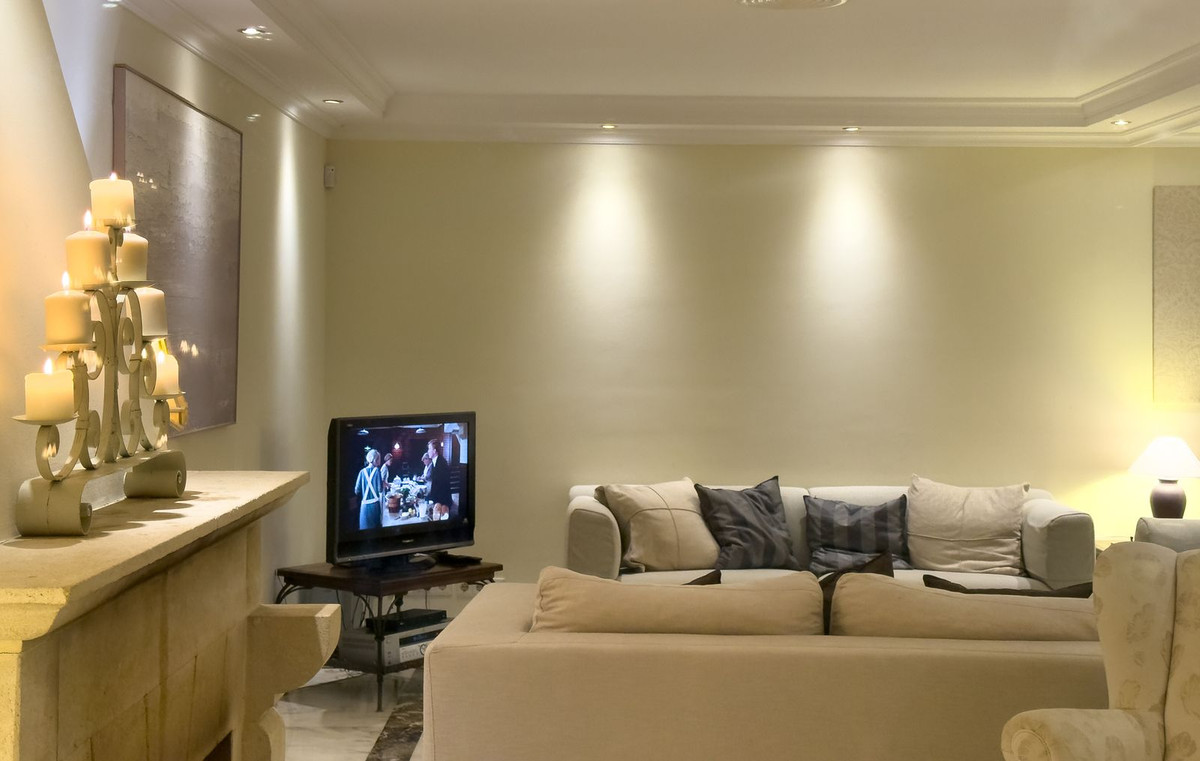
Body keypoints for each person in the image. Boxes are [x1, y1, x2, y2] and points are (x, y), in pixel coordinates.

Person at [354, 449, 383, 530]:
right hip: (375, 505)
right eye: (378, 458)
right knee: (375, 530)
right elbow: (380, 489)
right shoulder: (377, 471)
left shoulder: (361, 472)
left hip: (364, 506)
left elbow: (356, 490)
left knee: (365, 530)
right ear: (375, 459)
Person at [426, 438, 453, 520]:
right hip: (439, 498)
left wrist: (439, 503)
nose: (428, 451)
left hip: (443, 500)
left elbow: (443, 485)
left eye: (429, 449)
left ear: (434, 451)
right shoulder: (435, 461)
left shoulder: (441, 463)